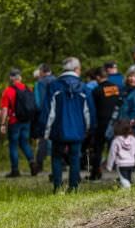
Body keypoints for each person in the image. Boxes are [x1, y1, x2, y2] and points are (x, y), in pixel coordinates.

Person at [40, 57, 96, 192]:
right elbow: (89, 111)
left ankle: (57, 187)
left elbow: (48, 112)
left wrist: (45, 132)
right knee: (75, 158)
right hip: (78, 129)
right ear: (77, 69)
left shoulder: (54, 86)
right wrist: (89, 129)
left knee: (57, 157)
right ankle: (73, 187)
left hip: (58, 128)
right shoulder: (83, 87)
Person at [0, 69, 38, 177]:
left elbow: (4, 109)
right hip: (26, 121)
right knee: (24, 143)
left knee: (13, 145)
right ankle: (32, 163)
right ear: (20, 77)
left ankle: (15, 170)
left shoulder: (8, 91)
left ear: (11, 78)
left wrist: (2, 124)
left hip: (14, 121)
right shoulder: (28, 89)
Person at [88, 66, 121, 180]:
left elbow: (92, 109)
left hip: (101, 123)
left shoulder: (96, 90)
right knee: (117, 148)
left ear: (98, 77)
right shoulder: (115, 88)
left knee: (98, 149)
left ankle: (95, 174)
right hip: (114, 122)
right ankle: (124, 174)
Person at [106, 119, 135, 188]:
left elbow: (112, 154)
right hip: (131, 163)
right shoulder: (133, 139)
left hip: (121, 164)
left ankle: (125, 186)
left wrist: (109, 166)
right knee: (127, 178)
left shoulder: (116, 141)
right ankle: (126, 185)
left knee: (124, 179)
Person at [33, 63, 55, 172]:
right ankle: (62, 163)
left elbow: (38, 103)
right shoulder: (56, 80)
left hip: (45, 114)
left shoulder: (40, 83)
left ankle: (39, 164)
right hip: (57, 113)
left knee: (43, 138)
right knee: (56, 138)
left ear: (42, 71)